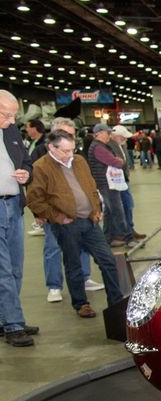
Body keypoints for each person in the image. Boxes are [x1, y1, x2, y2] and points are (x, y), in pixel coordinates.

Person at [25, 129, 123, 319]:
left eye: (72, 149)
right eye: (65, 151)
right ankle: (81, 303)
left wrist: (96, 209)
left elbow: (91, 186)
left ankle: (116, 302)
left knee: (108, 261)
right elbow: (35, 199)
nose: (70, 154)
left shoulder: (79, 161)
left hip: (90, 222)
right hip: (66, 225)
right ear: (51, 147)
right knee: (73, 265)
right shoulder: (41, 167)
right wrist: (58, 217)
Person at [41, 118, 100, 302]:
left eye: (72, 135)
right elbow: (36, 186)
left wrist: (94, 206)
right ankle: (54, 286)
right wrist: (45, 214)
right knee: (53, 248)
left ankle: (84, 278)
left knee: (81, 248)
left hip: (80, 215)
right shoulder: (40, 155)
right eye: (66, 133)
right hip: (57, 215)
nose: (70, 137)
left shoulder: (76, 155)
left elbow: (87, 182)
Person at [0, 89, 38, 347]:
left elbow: (27, 162)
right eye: (6, 115)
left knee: (15, 267)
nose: (12, 121)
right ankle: (13, 324)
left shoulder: (11, 131)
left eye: (13, 115)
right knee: (2, 270)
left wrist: (26, 173)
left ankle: (6, 318)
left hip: (14, 204)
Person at [87, 123, 132, 247]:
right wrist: (119, 161)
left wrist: (118, 160)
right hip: (107, 183)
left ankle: (107, 238)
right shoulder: (98, 147)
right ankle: (128, 237)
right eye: (108, 133)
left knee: (109, 211)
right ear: (99, 134)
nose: (109, 135)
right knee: (118, 210)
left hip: (107, 182)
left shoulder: (101, 146)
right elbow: (114, 161)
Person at [109, 125, 145, 241]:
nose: (125, 139)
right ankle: (122, 232)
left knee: (128, 205)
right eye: (122, 137)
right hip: (115, 181)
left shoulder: (121, 146)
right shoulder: (110, 146)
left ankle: (129, 229)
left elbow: (124, 162)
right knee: (119, 208)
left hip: (124, 180)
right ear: (115, 136)